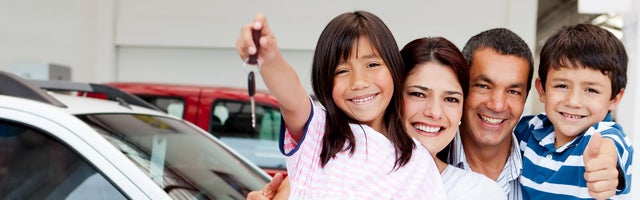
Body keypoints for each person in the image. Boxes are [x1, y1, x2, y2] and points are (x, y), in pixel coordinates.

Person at [236, 11, 446, 199]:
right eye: (342, 71)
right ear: (325, 81)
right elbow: (291, 97)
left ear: (394, 68)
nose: (359, 82)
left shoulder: (417, 163)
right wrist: (270, 58)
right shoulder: (318, 133)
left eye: (372, 65)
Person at [514, 24, 633, 199]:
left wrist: (605, 168)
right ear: (542, 90)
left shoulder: (604, 135)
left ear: (614, 99)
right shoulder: (529, 129)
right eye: (562, 86)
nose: (573, 101)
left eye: (591, 90)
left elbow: (608, 149)